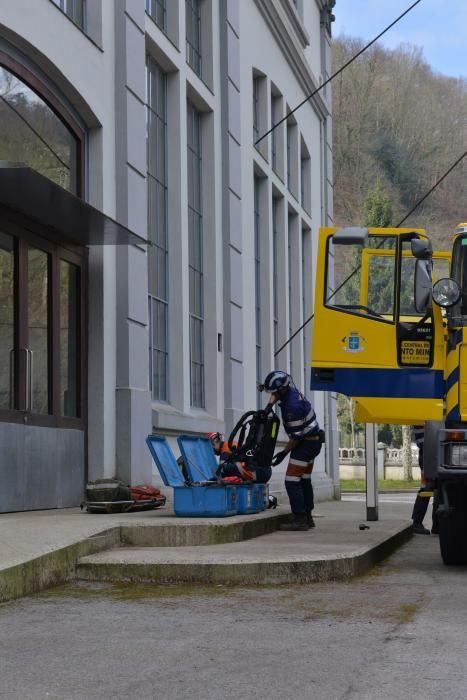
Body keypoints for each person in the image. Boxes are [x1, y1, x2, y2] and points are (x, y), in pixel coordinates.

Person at [262, 370, 323, 531]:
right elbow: (276, 394)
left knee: (291, 480)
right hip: (314, 441)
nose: (272, 395)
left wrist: (283, 453)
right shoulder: (291, 392)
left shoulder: (292, 407)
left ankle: (300, 518)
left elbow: (296, 438)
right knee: (304, 479)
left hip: (305, 444)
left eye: (274, 392)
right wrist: (269, 406)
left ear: (282, 390)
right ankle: (308, 517)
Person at [207, 432, 272, 484]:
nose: (213, 451)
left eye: (212, 447)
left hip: (259, 473)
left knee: (225, 469)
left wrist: (215, 479)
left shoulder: (225, 451)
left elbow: (221, 471)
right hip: (264, 471)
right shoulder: (230, 444)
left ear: (215, 442)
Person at [411, 425, 439, 535]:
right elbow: (422, 441)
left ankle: (437, 525)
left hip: (433, 453)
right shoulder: (423, 417)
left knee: (439, 488)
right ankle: (417, 522)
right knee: (427, 488)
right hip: (427, 455)